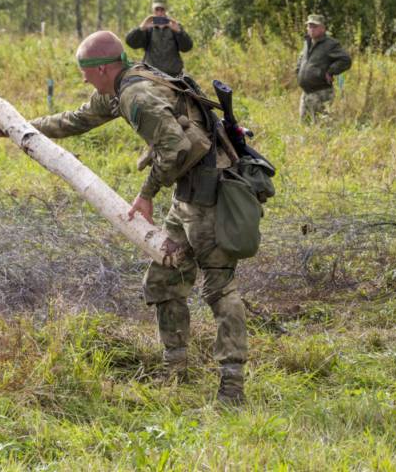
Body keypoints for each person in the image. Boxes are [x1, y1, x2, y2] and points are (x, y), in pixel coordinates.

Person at [22, 30, 250, 405]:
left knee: (219, 289)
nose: (83, 78)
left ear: (106, 67)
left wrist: (146, 195)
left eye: (87, 71)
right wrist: (23, 127)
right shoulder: (124, 84)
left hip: (211, 195)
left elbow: (175, 147)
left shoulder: (135, 94)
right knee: (164, 278)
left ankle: (231, 387)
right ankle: (175, 368)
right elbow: (80, 118)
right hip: (188, 194)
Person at [295, 14, 352, 123]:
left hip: (321, 93)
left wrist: (331, 71)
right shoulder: (307, 42)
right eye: (309, 26)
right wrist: (298, 71)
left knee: (321, 126)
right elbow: (302, 58)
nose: (311, 29)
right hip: (306, 93)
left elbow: (346, 60)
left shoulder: (330, 44)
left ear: (323, 28)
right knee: (304, 125)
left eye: (315, 26)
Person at [125, 0, 193, 78]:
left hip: (173, 74)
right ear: (153, 10)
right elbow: (130, 43)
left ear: (166, 10)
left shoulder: (174, 25)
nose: (160, 13)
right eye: (157, 9)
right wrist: (141, 28)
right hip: (151, 74)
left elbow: (187, 47)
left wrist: (179, 32)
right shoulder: (148, 28)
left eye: (162, 9)